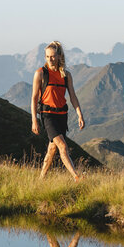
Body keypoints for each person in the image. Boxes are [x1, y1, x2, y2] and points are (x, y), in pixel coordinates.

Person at [31, 41, 85, 181]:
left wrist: (79, 114)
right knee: (62, 145)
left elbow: (72, 95)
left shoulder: (66, 75)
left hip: (62, 115)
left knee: (52, 149)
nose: (50, 59)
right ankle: (76, 177)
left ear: (59, 56)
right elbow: (34, 98)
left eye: (53, 56)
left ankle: (41, 178)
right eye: (47, 56)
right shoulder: (40, 74)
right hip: (47, 115)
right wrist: (34, 120)